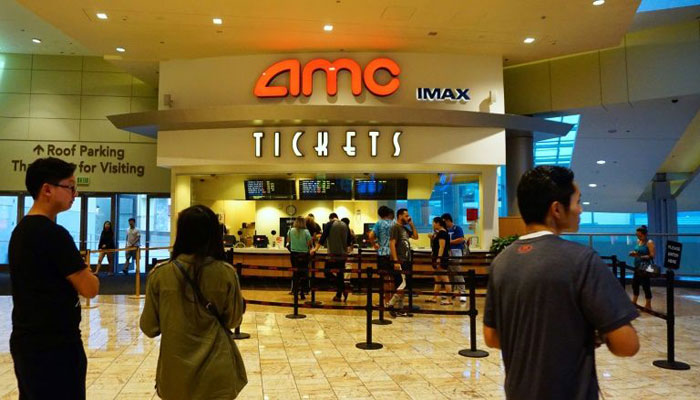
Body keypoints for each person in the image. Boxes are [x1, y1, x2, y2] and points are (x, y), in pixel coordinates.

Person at [483, 166, 640, 400]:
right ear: (556, 209)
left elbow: (491, 337)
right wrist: (593, 334)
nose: (581, 210)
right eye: (578, 202)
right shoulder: (582, 260)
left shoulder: (501, 262)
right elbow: (627, 345)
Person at [9, 157, 99, 400]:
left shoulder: (20, 232)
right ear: (47, 189)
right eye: (70, 187)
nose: (75, 194)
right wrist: (86, 271)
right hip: (56, 346)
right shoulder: (54, 235)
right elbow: (90, 288)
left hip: (26, 342)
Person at [140, 205, 247, 400]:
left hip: (175, 376)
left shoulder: (160, 275)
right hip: (217, 375)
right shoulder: (226, 273)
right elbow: (233, 321)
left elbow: (149, 327)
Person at [311, 213, 350, 302]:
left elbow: (323, 238)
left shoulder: (329, 224)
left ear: (330, 218)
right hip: (343, 255)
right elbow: (348, 241)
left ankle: (342, 287)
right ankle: (339, 295)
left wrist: (315, 249)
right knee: (340, 274)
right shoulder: (345, 225)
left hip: (332, 254)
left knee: (327, 272)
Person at [387, 208, 418, 317]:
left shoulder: (404, 228)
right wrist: (396, 261)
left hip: (406, 259)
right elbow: (392, 244)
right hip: (400, 260)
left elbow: (415, 236)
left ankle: (400, 308)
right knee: (403, 283)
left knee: (403, 285)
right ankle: (391, 304)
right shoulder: (395, 227)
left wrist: (412, 225)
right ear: (400, 216)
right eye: (406, 216)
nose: (408, 217)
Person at [368, 206, 395, 304]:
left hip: (383, 253)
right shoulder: (394, 223)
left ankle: (386, 301)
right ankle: (392, 300)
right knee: (393, 278)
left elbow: (371, 235)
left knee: (385, 278)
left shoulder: (379, 223)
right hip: (394, 253)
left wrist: (374, 244)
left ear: (379, 214)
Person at [441, 213, 467, 302]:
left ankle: (462, 292)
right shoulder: (444, 230)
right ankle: (450, 292)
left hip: (456, 252)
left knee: (457, 272)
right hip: (447, 254)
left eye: (444, 222)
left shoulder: (457, 228)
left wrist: (449, 242)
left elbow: (461, 239)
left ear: (448, 220)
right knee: (449, 274)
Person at [428, 217, 452, 305]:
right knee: (437, 278)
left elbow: (442, 247)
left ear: (438, 223)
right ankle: (434, 297)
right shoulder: (440, 233)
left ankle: (449, 299)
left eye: (433, 223)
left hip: (441, 258)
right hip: (438, 257)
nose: (432, 225)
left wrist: (439, 258)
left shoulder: (442, 233)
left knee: (445, 278)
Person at [287, 216, 312, 300]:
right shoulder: (306, 232)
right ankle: (302, 292)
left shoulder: (290, 231)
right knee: (303, 274)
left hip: (294, 255)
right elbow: (309, 243)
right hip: (304, 255)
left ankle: (295, 291)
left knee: (295, 273)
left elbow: (288, 242)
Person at [629, 225, 654, 309]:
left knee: (645, 285)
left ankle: (648, 304)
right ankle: (634, 301)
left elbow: (652, 256)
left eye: (639, 235)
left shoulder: (649, 242)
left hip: (645, 267)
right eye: (637, 235)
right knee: (635, 284)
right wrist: (633, 253)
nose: (638, 237)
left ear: (644, 234)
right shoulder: (638, 241)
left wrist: (639, 256)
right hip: (637, 266)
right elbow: (637, 251)